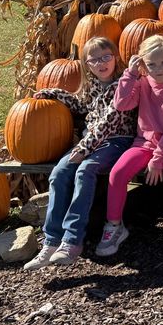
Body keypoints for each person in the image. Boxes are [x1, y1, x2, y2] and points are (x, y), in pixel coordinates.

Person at [24, 38, 136, 270]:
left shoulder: (123, 85)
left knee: (85, 170)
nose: (101, 63)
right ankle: (51, 241)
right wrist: (53, 94)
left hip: (116, 142)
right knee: (60, 173)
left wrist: (83, 150)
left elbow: (110, 122)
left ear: (116, 56)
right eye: (93, 59)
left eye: (106, 57)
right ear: (86, 64)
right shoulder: (93, 85)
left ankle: (72, 241)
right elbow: (80, 104)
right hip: (90, 142)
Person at [96, 35, 163, 258]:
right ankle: (114, 225)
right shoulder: (141, 83)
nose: (158, 69)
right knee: (118, 173)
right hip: (145, 143)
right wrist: (130, 74)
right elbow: (121, 104)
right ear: (143, 64)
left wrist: (158, 159)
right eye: (151, 64)